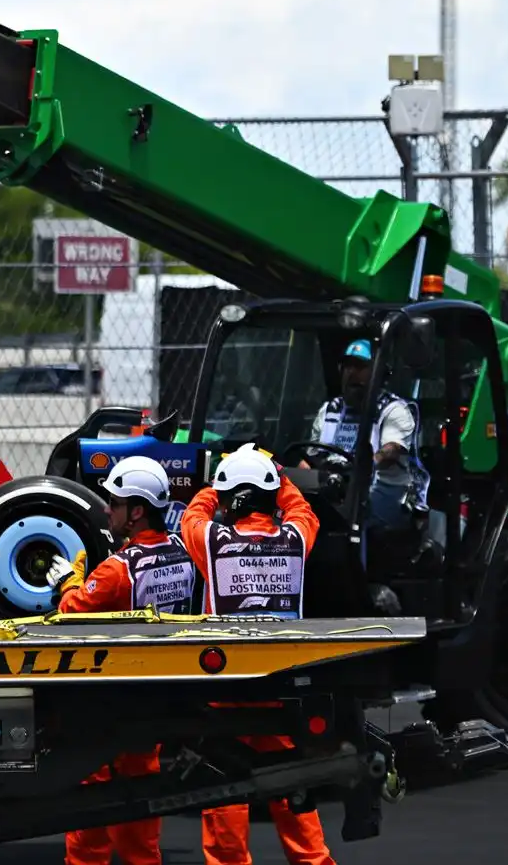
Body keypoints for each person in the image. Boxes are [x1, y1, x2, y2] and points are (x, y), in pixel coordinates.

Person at [178, 444, 334, 865]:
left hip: (227, 690)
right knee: (290, 784)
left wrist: (214, 484)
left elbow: (191, 516)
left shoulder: (213, 541)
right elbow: (303, 510)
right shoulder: (296, 538)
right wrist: (277, 474)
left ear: (235, 499)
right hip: (280, 685)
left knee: (224, 787)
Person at [50, 455, 200, 865]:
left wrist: (69, 580)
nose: (106, 509)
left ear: (136, 511)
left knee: (91, 806)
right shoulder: (184, 553)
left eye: (114, 503)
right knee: (141, 816)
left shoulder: (117, 571)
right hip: (157, 697)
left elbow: (70, 610)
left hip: (108, 703)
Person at [308, 339, 428, 535]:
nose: (352, 372)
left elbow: (391, 450)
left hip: (384, 497)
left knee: (347, 517)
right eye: (347, 366)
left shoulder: (393, 409)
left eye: (361, 366)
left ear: (379, 374)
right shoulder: (329, 411)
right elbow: (311, 458)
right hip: (334, 491)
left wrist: (364, 465)